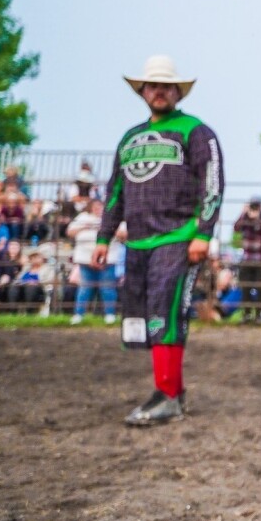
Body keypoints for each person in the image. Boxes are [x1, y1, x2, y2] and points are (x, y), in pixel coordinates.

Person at [95, 55, 224, 426]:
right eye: (153, 86)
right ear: (143, 91)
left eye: (166, 86)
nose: (159, 91)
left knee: (165, 312)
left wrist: (202, 233)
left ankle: (166, 395)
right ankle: (171, 392)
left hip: (178, 238)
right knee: (146, 316)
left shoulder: (196, 132)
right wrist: (104, 236)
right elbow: (115, 190)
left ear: (177, 91)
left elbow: (211, 183)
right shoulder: (130, 138)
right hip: (136, 243)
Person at [67, 196, 117, 324]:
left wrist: (108, 230)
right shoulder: (83, 217)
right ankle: (79, 315)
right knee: (84, 288)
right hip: (85, 259)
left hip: (107, 258)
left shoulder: (112, 216)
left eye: (100, 206)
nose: (98, 209)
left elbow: (123, 233)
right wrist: (85, 227)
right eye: (95, 207)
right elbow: (70, 231)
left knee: (107, 288)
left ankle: (110, 315)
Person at [232, 196, 261, 323]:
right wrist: (243, 213)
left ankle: (259, 314)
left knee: (260, 288)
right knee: (245, 287)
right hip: (247, 258)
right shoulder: (245, 217)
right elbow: (236, 227)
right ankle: (247, 314)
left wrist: (258, 217)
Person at [9, 244, 53, 315]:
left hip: (39, 290)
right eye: (32, 257)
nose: (34, 259)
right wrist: (20, 282)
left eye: (36, 257)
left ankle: (30, 312)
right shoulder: (27, 268)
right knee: (13, 288)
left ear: (42, 258)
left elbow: (49, 281)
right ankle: (13, 312)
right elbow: (18, 278)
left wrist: (36, 282)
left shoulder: (47, 268)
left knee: (31, 288)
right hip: (23, 288)